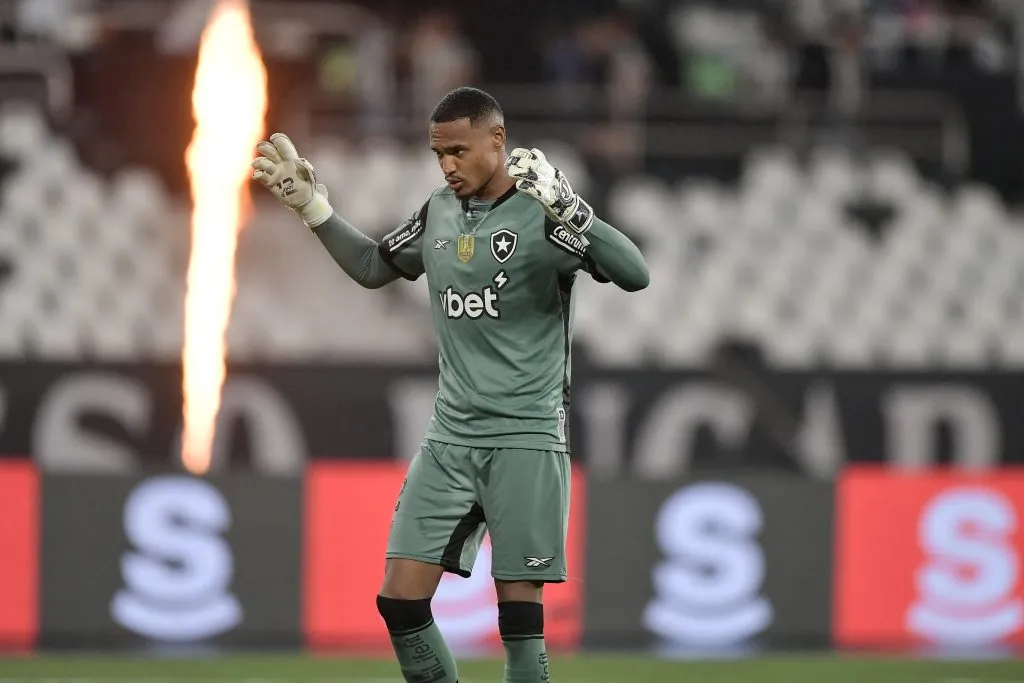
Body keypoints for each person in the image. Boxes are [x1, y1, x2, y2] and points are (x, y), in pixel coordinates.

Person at [251, 86, 649, 683]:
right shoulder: (437, 211)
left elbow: (635, 274)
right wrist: (314, 209)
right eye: (439, 154)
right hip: (450, 440)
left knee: (519, 618)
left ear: (498, 139)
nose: (448, 166)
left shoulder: (542, 215)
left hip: (525, 439)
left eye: (460, 151)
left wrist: (570, 206)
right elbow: (372, 267)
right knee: (399, 601)